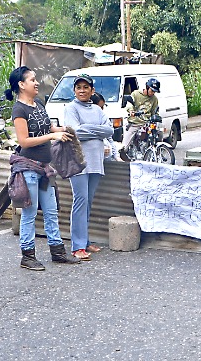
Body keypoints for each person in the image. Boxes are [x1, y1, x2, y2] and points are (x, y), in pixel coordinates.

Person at [6, 66, 79, 270]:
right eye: (32, 80)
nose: (36, 83)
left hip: (45, 168)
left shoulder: (38, 103)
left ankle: (57, 252)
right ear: (21, 85)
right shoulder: (19, 110)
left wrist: (63, 130)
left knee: (51, 211)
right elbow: (24, 141)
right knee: (29, 213)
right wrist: (52, 136)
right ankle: (27, 256)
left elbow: (47, 127)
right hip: (28, 168)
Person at [64, 73, 114, 260]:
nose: (82, 90)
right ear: (75, 90)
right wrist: (97, 132)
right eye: (79, 87)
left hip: (95, 162)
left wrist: (87, 129)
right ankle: (77, 247)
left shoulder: (98, 110)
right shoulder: (70, 108)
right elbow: (74, 131)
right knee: (80, 200)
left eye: (86, 87)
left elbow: (110, 130)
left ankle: (84, 241)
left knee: (88, 202)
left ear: (92, 91)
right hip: (78, 162)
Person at [119, 78, 160, 162]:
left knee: (158, 134)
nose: (153, 93)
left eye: (154, 91)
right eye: (152, 90)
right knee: (124, 147)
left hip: (146, 123)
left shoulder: (154, 99)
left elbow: (154, 111)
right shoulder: (136, 94)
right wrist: (131, 111)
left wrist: (156, 117)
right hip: (135, 123)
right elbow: (130, 104)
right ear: (147, 87)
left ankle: (155, 151)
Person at [91, 92, 121, 162]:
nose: (102, 109)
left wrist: (116, 156)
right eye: (100, 107)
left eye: (103, 107)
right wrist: (99, 149)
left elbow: (110, 139)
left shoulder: (104, 119)